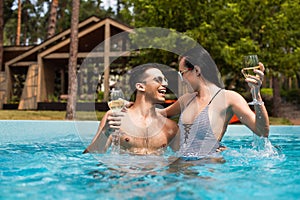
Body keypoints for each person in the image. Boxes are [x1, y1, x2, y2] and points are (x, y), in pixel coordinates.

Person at [162, 46, 270, 159]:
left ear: (197, 70)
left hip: (207, 171)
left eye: (182, 73)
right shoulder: (187, 99)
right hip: (183, 169)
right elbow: (159, 114)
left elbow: (262, 131)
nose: (182, 79)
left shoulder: (228, 98)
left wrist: (256, 94)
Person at [83, 63, 179, 155]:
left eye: (165, 80)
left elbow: (183, 161)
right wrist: (105, 132)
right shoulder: (115, 117)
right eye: (158, 80)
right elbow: (90, 156)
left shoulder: (170, 127)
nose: (165, 84)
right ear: (140, 86)